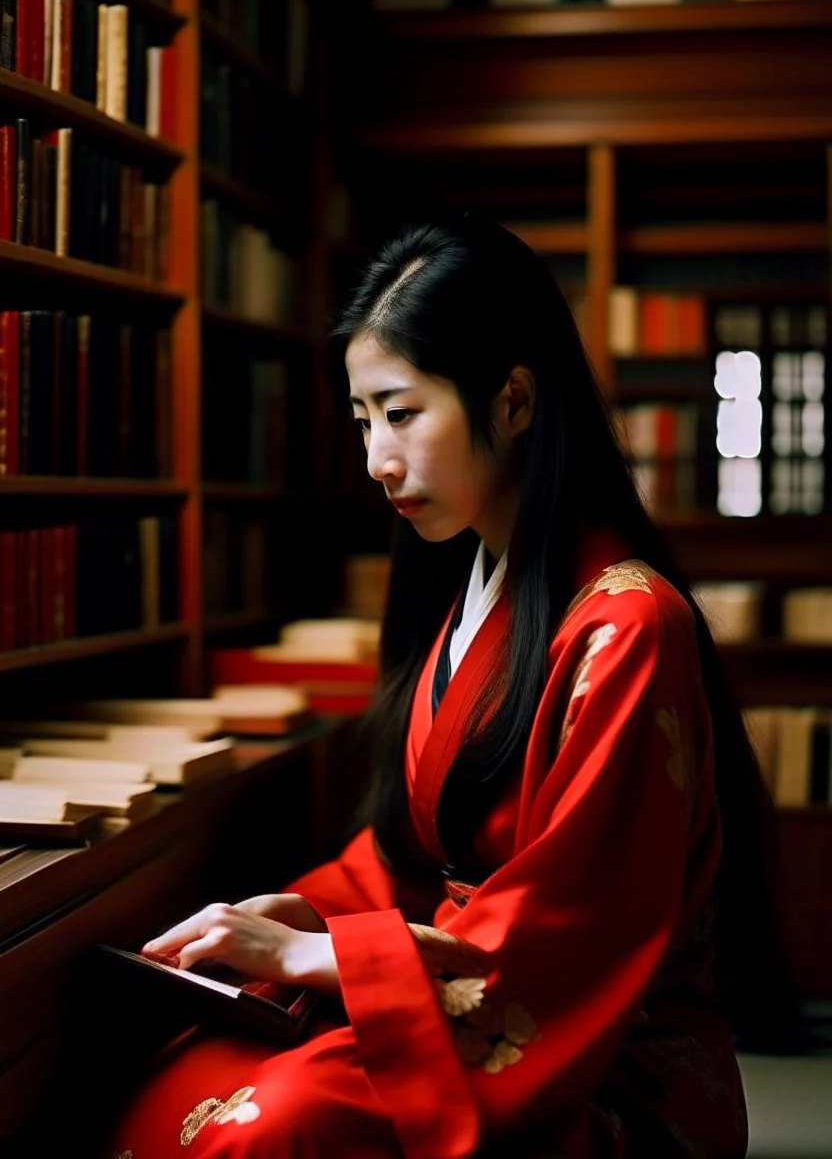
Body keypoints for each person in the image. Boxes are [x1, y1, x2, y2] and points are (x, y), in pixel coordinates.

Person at [103, 216, 787, 1158]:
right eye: (362, 420)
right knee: (187, 1065)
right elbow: (415, 860)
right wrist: (304, 918)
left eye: (402, 411)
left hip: (588, 1050)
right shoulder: (474, 586)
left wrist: (332, 956)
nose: (378, 458)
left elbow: (574, 927)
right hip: (457, 989)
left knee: (269, 1126)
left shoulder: (631, 624)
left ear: (511, 402)